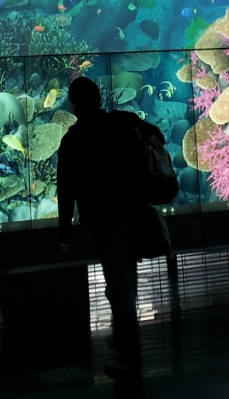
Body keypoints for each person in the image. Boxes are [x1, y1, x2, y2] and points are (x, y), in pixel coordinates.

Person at [57, 76, 168, 379]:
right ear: (99, 99)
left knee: (119, 287)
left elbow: (65, 191)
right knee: (122, 283)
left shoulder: (73, 139)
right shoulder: (122, 121)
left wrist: (65, 235)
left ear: (75, 103)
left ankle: (130, 359)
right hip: (134, 213)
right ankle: (122, 339)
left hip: (105, 222)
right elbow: (156, 135)